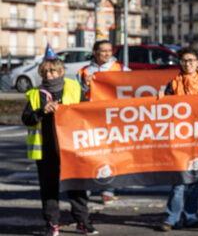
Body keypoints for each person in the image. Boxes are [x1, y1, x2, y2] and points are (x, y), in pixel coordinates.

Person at [21, 44, 98, 236]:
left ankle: (82, 221)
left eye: (52, 71)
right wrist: (41, 111)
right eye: (45, 71)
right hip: (46, 149)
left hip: (71, 148)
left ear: (61, 71)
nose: (48, 75)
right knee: (49, 189)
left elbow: (87, 112)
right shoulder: (35, 94)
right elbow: (27, 119)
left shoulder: (73, 87)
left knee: (77, 187)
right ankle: (52, 224)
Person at [156, 47, 198, 232]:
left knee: (194, 180)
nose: (187, 64)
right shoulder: (173, 83)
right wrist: (161, 99)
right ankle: (172, 218)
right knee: (179, 181)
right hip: (180, 138)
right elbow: (165, 110)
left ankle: (191, 217)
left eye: (191, 60)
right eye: (184, 61)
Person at [77, 40, 124, 205]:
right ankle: (87, 187)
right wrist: (85, 85)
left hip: (113, 118)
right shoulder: (83, 71)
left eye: (109, 51)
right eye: (103, 51)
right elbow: (77, 96)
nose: (107, 54)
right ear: (95, 52)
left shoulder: (121, 69)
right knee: (90, 153)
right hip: (91, 118)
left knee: (110, 154)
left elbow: (136, 85)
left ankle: (108, 189)